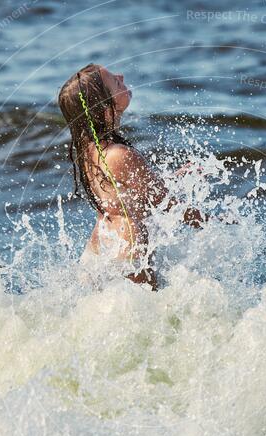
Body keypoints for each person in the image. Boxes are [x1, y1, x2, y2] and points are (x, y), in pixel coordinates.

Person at [57, 63, 206, 291]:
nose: (121, 75)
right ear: (106, 109)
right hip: (127, 254)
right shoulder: (120, 154)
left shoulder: (90, 152)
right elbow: (167, 203)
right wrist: (212, 225)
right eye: (115, 82)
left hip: (97, 252)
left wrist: (173, 178)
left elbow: (129, 194)